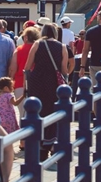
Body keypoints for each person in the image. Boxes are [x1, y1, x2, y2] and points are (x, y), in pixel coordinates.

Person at [25, 22, 71, 159]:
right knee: (52, 110)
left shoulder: (37, 44)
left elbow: (28, 66)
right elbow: (64, 69)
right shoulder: (62, 47)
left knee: (38, 111)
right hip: (53, 83)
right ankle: (51, 141)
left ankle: (39, 141)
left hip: (37, 81)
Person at [9, 25, 41, 121]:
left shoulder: (19, 50)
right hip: (37, 82)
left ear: (26, 37)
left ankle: (24, 133)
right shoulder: (39, 49)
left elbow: (13, 68)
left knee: (23, 113)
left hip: (19, 83)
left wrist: (11, 80)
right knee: (36, 111)